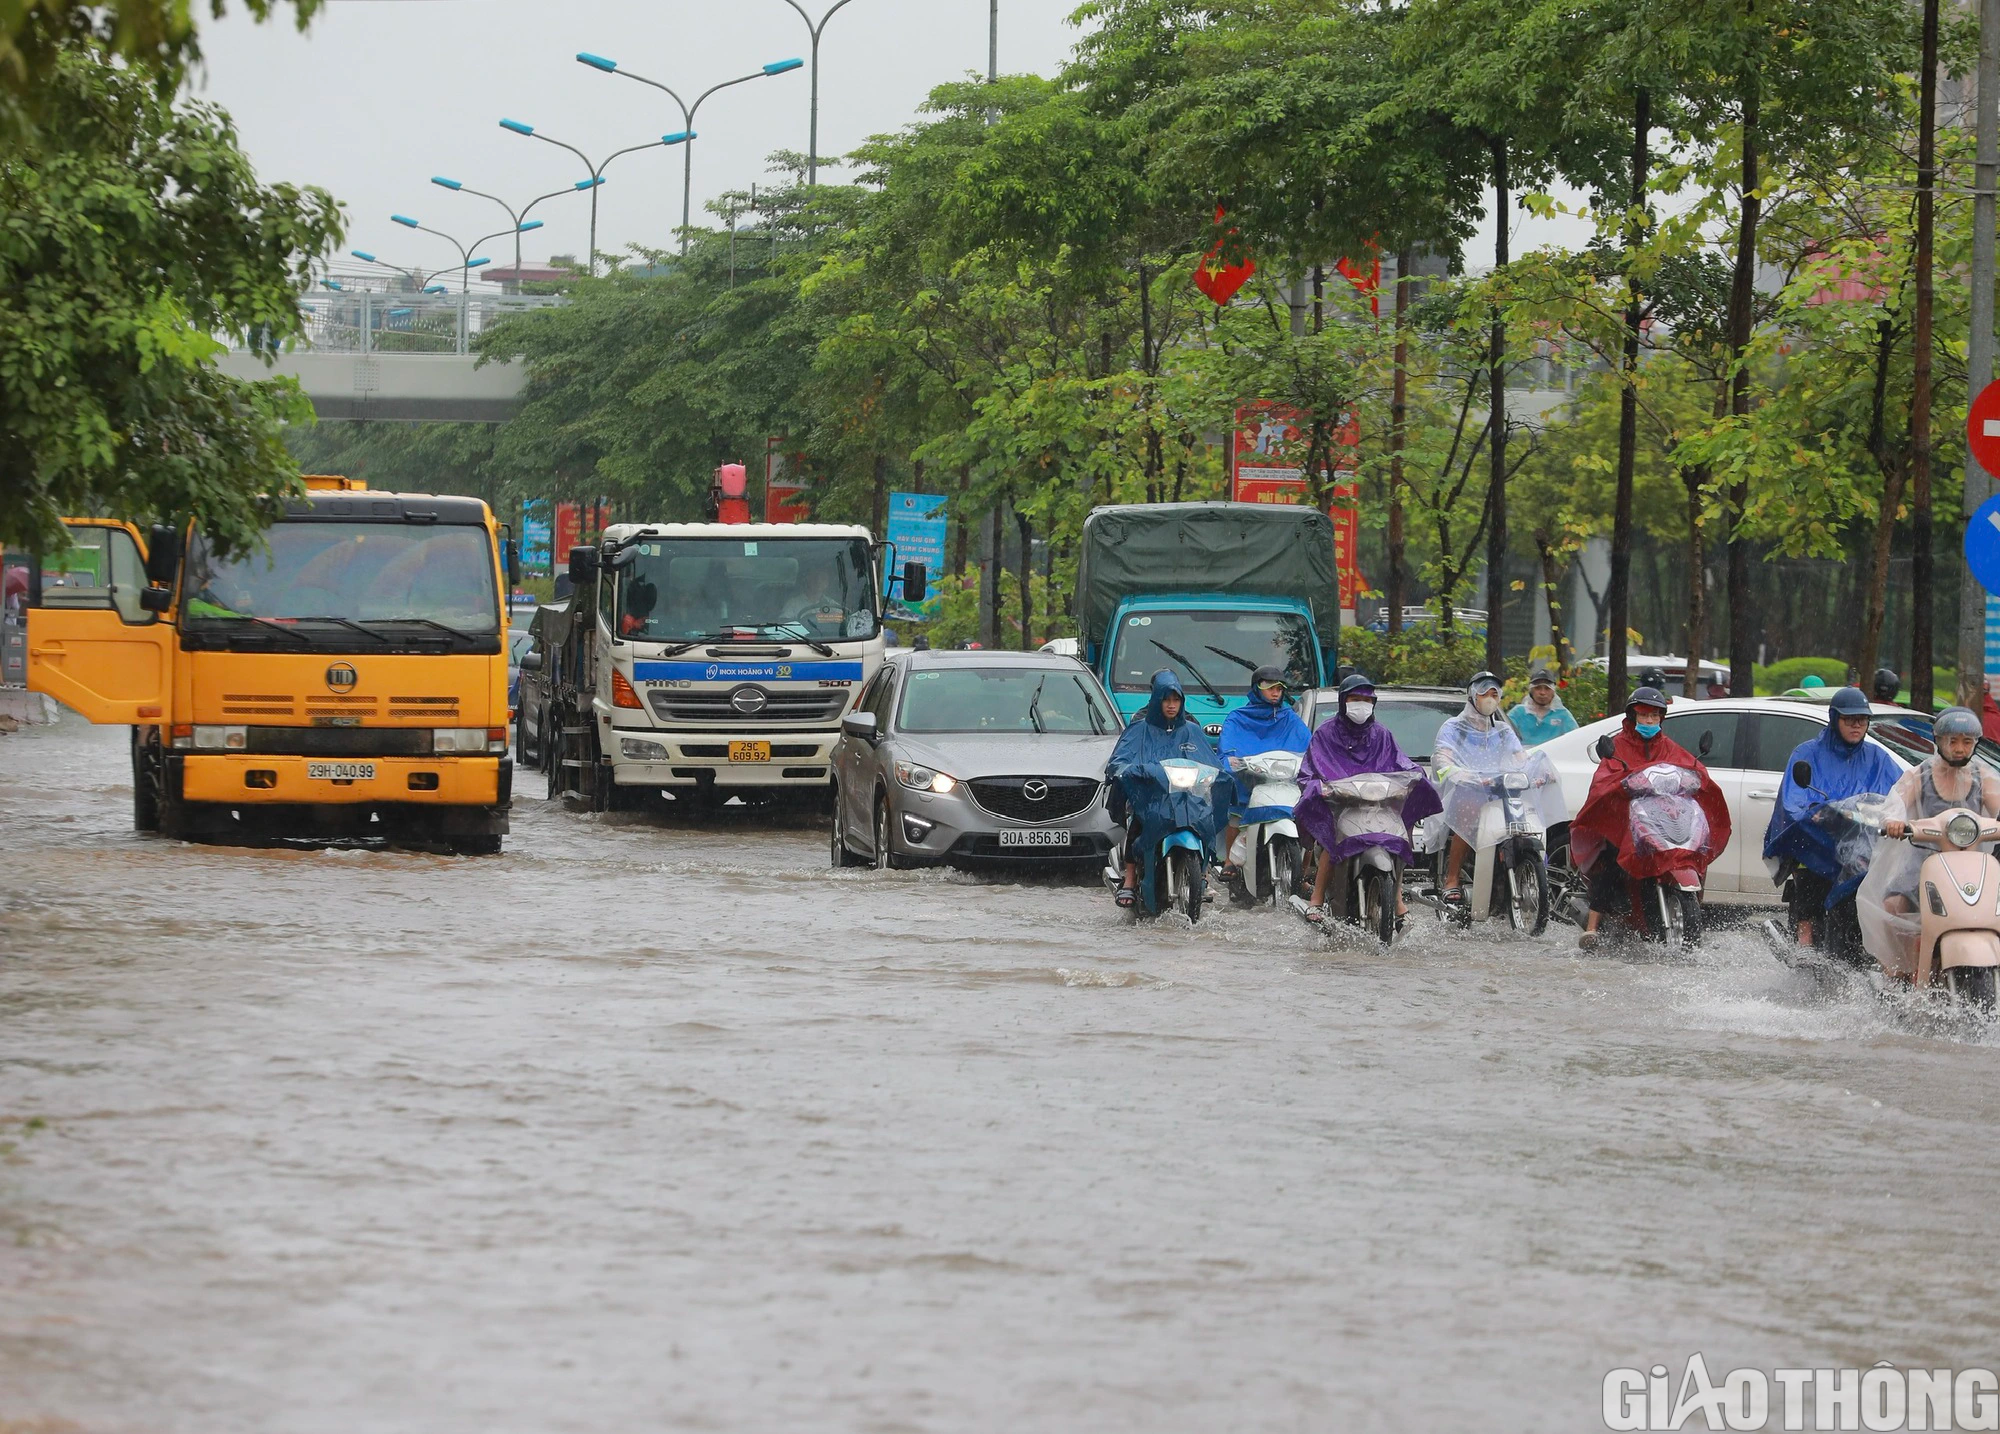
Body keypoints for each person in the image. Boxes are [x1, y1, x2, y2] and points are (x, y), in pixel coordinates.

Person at [1570, 686, 1731, 949]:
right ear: (1633, 716)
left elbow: (1691, 768)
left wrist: (1698, 779)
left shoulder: (1668, 746)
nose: (1649, 721)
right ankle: (1592, 927)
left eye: (1654, 716)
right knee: (1610, 859)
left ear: (1661, 719)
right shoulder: (1618, 746)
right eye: (1644, 716)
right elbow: (1604, 780)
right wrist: (1621, 787)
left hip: (1660, 822)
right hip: (1623, 823)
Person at [1858, 707, 2000, 984]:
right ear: (1939, 740)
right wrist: (1894, 821)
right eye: (1953, 741)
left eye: (1967, 742)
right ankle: (1904, 972)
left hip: (1971, 864)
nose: (1960, 749)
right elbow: (1895, 803)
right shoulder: (1920, 774)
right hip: (1924, 860)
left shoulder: (1983, 776)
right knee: (1894, 904)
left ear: (1975, 744)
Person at [1293, 673, 1442, 924]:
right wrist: (1319, 787)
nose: (1361, 704)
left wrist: (1415, 776)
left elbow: (1401, 762)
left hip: (1379, 805)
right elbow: (1310, 770)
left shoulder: (1381, 734)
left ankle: (1396, 899)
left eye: (1367, 699)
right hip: (1340, 806)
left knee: (1399, 840)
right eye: (1355, 698)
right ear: (1343, 700)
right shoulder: (1325, 734)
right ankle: (1316, 899)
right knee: (1332, 841)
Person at [1763, 685, 1899, 954]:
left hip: (1862, 844)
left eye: (1862, 720)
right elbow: (1793, 801)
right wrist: (1817, 813)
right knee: (1810, 869)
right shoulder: (1807, 753)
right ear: (1834, 718)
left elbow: (1900, 794)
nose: (1857, 725)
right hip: (1817, 840)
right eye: (1850, 720)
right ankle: (1805, 939)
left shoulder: (1878, 758)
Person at [1106, 669, 1224, 909]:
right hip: (1152, 798)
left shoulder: (1191, 728)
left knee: (1204, 820)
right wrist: (1131, 771)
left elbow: (1210, 762)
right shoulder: (1139, 727)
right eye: (1166, 700)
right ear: (1156, 698)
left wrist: (1217, 775)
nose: (1171, 706)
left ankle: (1203, 873)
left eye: (1176, 700)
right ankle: (1129, 879)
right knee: (1138, 823)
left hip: (1185, 797)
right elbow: (1121, 759)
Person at [1433, 672, 1528, 902]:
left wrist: (1534, 772)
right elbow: (1441, 757)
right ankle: (1452, 878)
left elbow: (1520, 757)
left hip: (1499, 790)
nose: (1490, 698)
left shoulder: (1503, 731)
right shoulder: (1453, 727)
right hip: (1467, 790)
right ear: (1473, 696)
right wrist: (1458, 773)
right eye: (1485, 692)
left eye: (1495, 693)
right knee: (1469, 812)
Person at [1215, 665, 1312, 884]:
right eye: (1269, 687)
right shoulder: (1238, 717)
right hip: (1249, 780)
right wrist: (1235, 762)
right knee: (1236, 815)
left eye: (1279, 688)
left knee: (1307, 816)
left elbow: (1309, 745)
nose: (1275, 692)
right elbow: (1228, 747)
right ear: (1256, 688)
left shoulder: (1289, 717)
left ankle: (1303, 872)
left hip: (1284, 781)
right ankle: (1230, 861)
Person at [1508, 666, 1578, 747]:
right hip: (1522, 757)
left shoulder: (1563, 714)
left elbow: (1575, 738)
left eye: (1547, 688)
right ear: (1531, 691)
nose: (1542, 692)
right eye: (1537, 688)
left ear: (1553, 691)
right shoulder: (1518, 712)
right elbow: (1504, 736)